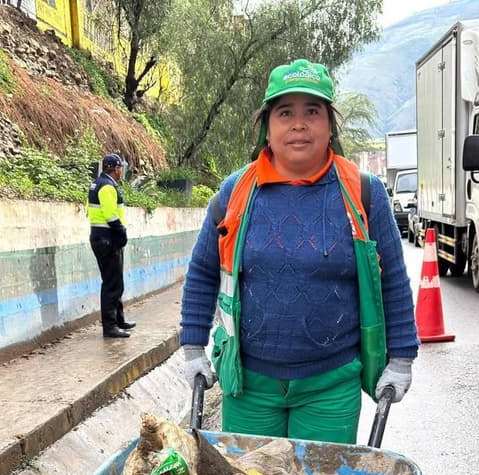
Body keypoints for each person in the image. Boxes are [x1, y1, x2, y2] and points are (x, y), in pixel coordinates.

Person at [179, 60, 418, 443]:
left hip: (331, 388)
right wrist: (193, 348)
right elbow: (204, 272)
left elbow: (391, 282)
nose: (299, 123)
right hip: (248, 387)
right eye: (285, 112)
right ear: (267, 126)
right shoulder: (234, 194)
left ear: (329, 125)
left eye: (313, 111)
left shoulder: (364, 193)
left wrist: (402, 358)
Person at [87, 152, 135, 339]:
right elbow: (110, 214)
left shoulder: (98, 183)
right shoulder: (107, 187)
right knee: (112, 285)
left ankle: (119, 320)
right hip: (107, 238)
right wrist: (121, 231)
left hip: (101, 237)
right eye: (120, 167)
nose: (121, 171)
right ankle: (110, 326)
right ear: (115, 168)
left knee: (116, 282)